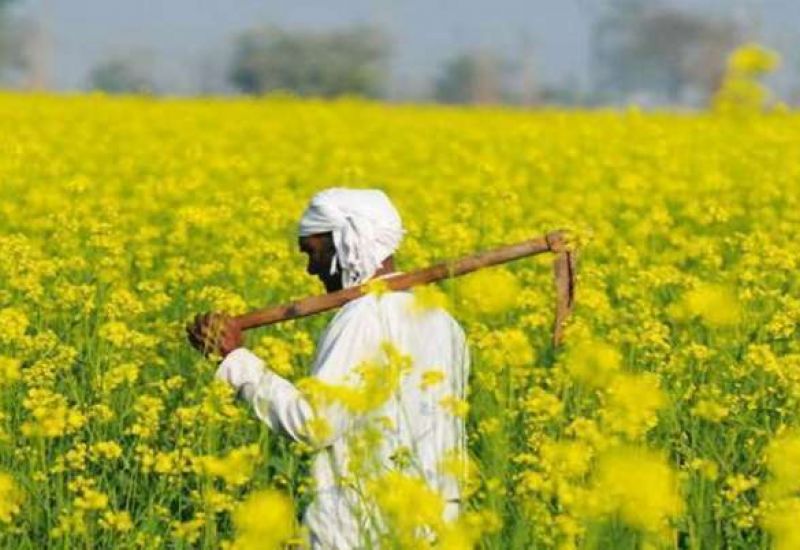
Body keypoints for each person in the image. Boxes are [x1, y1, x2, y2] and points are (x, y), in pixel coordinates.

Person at [187, 188, 470, 549]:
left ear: (344, 241)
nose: (311, 269)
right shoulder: (445, 322)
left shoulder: (364, 315)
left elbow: (315, 424)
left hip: (359, 521)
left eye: (313, 251)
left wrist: (237, 361)